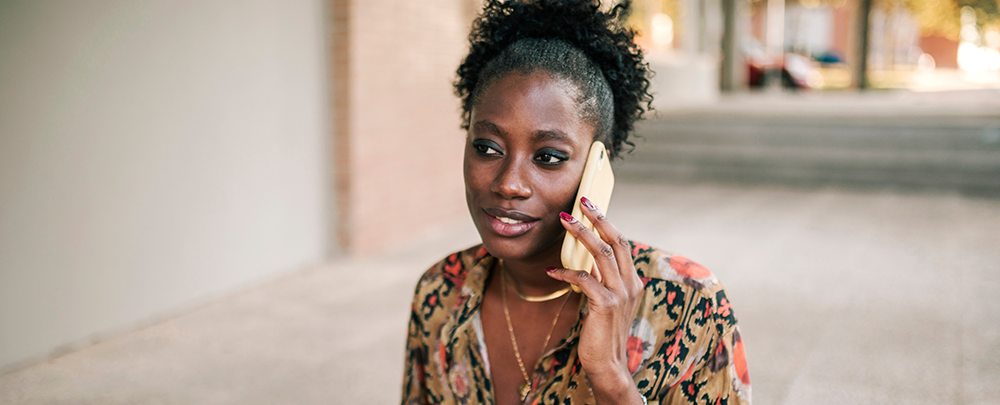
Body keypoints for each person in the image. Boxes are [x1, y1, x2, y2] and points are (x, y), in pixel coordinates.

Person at [401, 1, 751, 404]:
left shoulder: (689, 304)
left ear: (597, 171)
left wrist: (611, 380)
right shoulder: (440, 291)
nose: (509, 184)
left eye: (548, 157)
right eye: (488, 147)